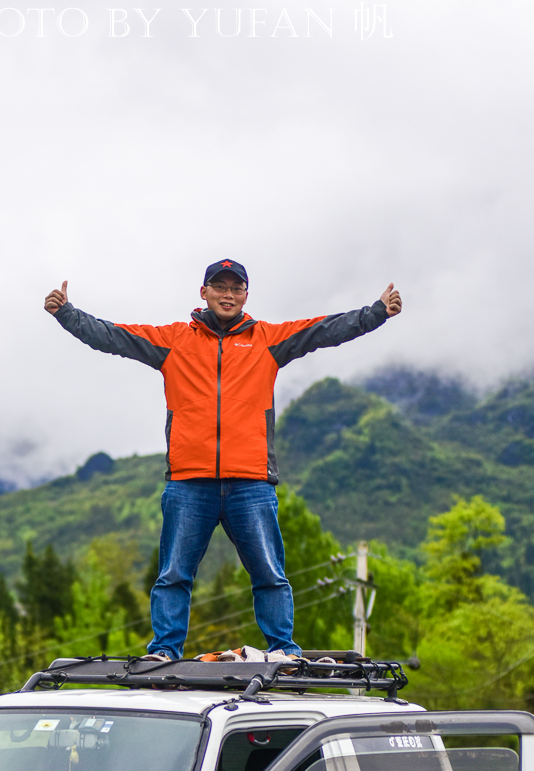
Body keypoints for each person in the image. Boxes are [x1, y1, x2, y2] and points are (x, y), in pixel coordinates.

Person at [44, 260, 402, 661]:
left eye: (237, 288)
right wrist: (66, 313)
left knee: (269, 573)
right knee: (174, 575)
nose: (228, 295)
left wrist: (375, 313)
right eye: (220, 287)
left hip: (250, 482)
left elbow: (324, 330)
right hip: (188, 481)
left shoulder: (268, 339)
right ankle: (163, 651)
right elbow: (113, 336)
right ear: (204, 292)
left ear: (246, 295)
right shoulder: (174, 340)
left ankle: (283, 651)